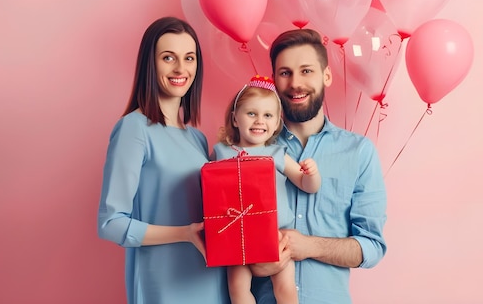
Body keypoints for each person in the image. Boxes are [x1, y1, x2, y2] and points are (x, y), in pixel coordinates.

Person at [97, 16, 229, 304]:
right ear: (150, 63)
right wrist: (184, 233)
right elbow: (111, 223)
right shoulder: (134, 129)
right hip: (164, 287)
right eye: (168, 57)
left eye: (189, 58)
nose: (181, 68)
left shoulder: (197, 139)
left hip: (213, 282)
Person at [249, 29, 388, 304]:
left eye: (306, 71)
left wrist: (309, 246)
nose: (295, 83)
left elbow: (372, 246)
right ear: (274, 79)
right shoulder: (252, 150)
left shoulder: (359, 152)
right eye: (285, 73)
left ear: (326, 75)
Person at [212, 75, 321, 304]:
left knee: (286, 290)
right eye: (251, 113)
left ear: (275, 125)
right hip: (236, 235)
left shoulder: (276, 154)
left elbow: (305, 184)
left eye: (268, 115)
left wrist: (312, 175)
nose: (259, 120)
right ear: (234, 118)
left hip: (276, 234)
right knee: (237, 289)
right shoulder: (222, 152)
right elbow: (212, 192)